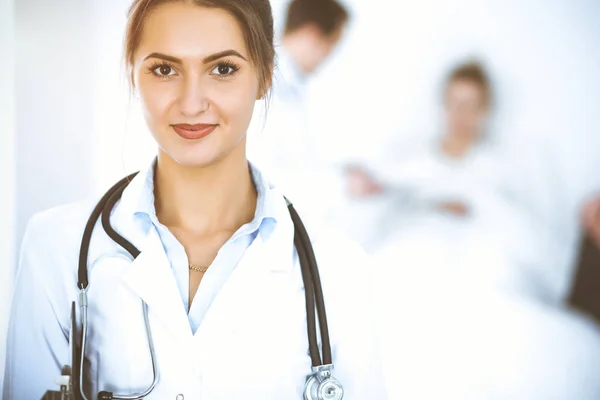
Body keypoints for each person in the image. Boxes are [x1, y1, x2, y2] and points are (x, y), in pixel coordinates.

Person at [2, 1, 385, 399]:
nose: (191, 103)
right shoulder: (56, 248)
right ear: (134, 74)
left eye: (223, 69)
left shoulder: (340, 270)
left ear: (266, 74)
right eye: (165, 69)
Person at [247, 0, 349, 225]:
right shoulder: (264, 83)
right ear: (312, 34)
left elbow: (298, 158)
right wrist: (341, 184)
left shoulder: (292, 85)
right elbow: (266, 170)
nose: (327, 59)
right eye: (331, 45)